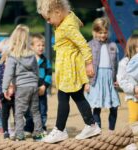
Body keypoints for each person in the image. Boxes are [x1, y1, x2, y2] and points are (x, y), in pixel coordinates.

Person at [37, 0, 101, 143]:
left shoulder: (67, 27)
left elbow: (83, 44)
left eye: (49, 18)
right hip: (68, 68)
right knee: (78, 96)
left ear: (58, 13)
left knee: (63, 97)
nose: (48, 22)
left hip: (69, 69)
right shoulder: (68, 17)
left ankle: (60, 130)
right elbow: (75, 18)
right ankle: (91, 124)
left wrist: (89, 63)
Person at [2, 24, 44, 141]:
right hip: (33, 86)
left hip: (21, 87)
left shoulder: (13, 55)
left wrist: (5, 88)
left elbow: (8, 73)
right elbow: (36, 70)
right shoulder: (31, 54)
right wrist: (36, 82)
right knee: (35, 111)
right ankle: (39, 133)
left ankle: (20, 134)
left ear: (14, 39)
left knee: (19, 112)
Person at [85, 17, 120, 132]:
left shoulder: (113, 45)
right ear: (95, 32)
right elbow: (85, 65)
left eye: (105, 32)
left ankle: (111, 130)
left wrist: (117, 78)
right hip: (96, 79)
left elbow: (117, 64)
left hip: (110, 78)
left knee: (114, 106)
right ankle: (98, 130)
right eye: (100, 32)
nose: (103, 35)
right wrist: (86, 82)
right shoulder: (89, 45)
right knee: (96, 107)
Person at [117, 35, 138, 150]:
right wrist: (134, 88)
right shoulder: (124, 63)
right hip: (133, 96)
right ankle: (130, 141)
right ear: (132, 47)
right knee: (134, 117)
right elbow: (122, 80)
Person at [31, 33, 52, 133]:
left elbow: (49, 74)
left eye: (42, 45)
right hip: (30, 90)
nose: (41, 47)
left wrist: (44, 86)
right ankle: (29, 127)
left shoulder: (45, 60)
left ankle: (42, 127)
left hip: (41, 90)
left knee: (42, 109)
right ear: (32, 47)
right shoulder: (29, 60)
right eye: (38, 45)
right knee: (30, 110)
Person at [0, 51, 15, 139]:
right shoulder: (0, 68)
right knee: (4, 115)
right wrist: (0, 93)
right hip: (4, 97)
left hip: (15, 96)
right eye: (8, 60)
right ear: (5, 59)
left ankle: (18, 130)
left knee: (17, 114)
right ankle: (6, 131)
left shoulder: (16, 69)